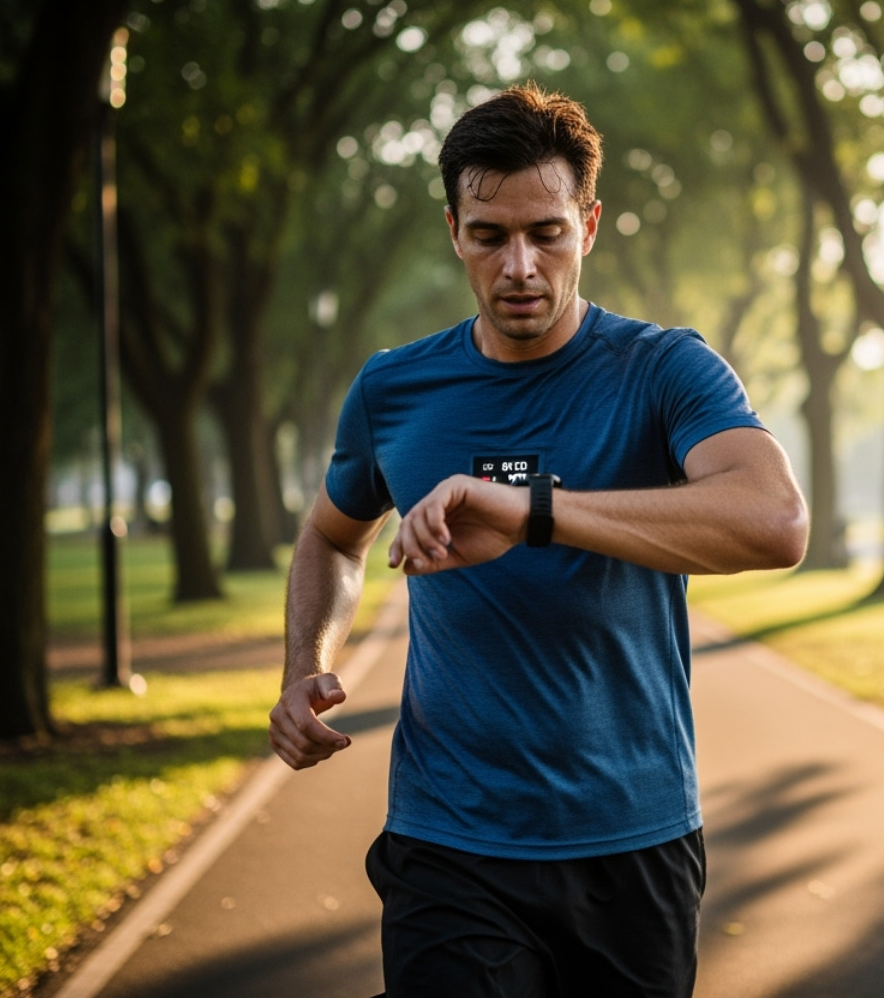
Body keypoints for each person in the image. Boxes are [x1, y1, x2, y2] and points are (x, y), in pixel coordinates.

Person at [268, 83, 808, 997]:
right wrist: (302, 663)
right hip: (450, 839)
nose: (520, 266)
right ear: (454, 231)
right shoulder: (393, 390)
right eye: (489, 236)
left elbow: (774, 520)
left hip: (635, 837)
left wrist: (534, 511)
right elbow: (330, 538)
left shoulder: (664, 369)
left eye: (547, 232)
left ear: (589, 226)